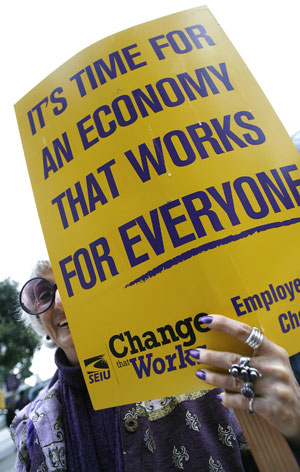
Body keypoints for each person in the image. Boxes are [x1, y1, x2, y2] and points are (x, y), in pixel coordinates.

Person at [10, 261, 300, 471]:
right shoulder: (34, 427)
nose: (60, 300)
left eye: (77, 279)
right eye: (44, 294)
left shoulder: (201, 371)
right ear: (41, 324)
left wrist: (294, 428)